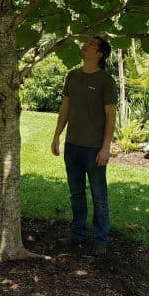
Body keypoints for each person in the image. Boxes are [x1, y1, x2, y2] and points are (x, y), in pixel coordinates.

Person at [51, 36, 117, 255]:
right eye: (86, 42)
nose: (85, 45)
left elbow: (111, 116)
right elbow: (65, 108)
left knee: (99, 196)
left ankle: (101, 240)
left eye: (91, 44)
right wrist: (57, 135)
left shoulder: (106, 81)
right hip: (73, 146)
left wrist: (106, 147)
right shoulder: (72, 76)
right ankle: (77, 235)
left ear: (100, 54)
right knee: (76, 193)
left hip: (94, 148)